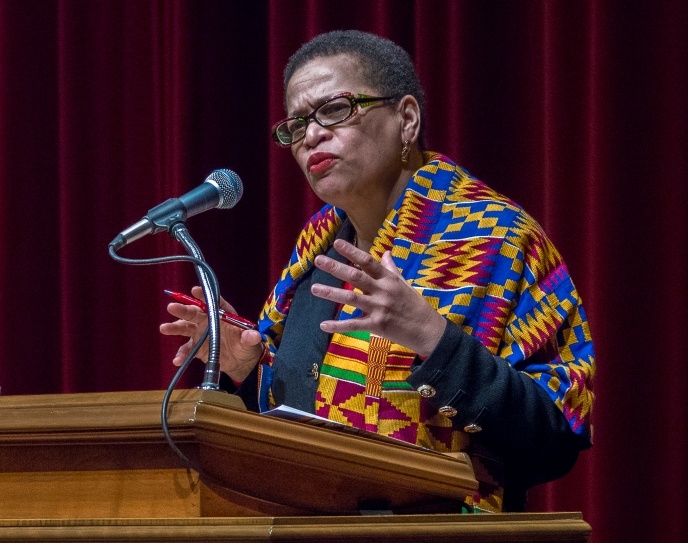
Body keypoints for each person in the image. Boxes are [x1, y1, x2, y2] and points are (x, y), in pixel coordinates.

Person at [161, 30, 594, 512]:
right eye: (297, 124)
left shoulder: (500, 239)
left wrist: (433, 337)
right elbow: (306, 424)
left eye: (334, 110)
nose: (311, 136)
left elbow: (557, 436)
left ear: (406, 119)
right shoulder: (318, 246)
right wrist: (248, 368)